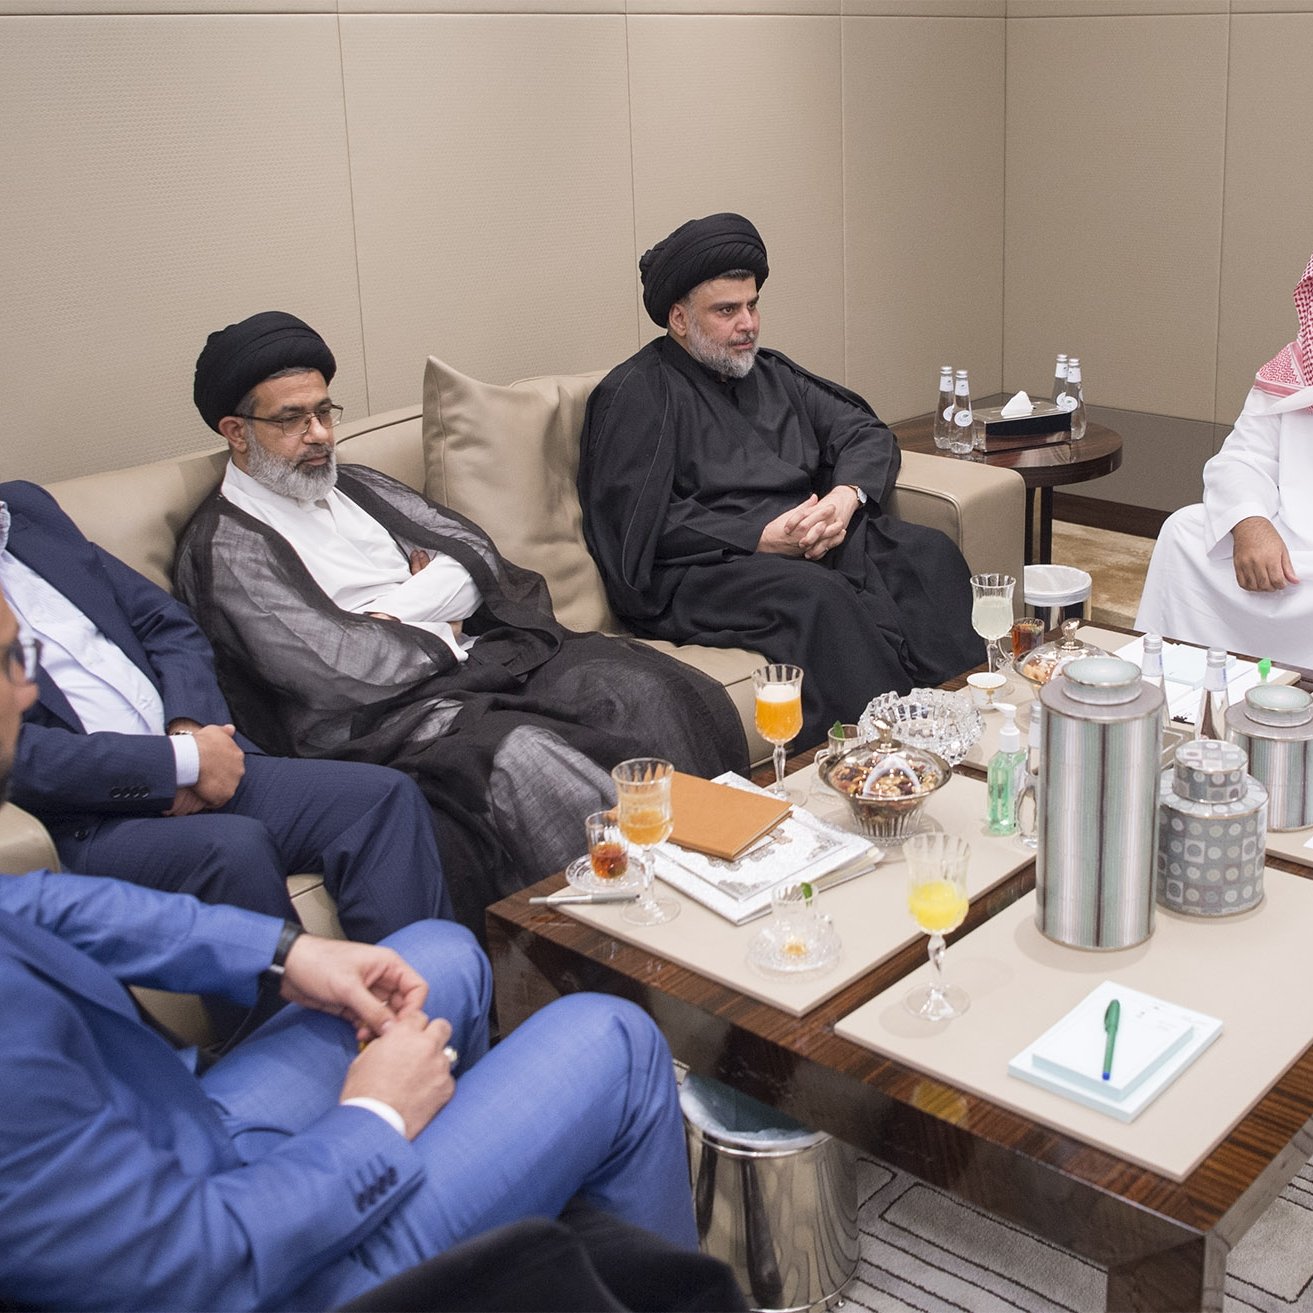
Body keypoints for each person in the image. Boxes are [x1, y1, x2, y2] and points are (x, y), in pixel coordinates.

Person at [0, 582, 712, 1313]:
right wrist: (375, 1117)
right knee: (615, 1039)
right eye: (5, 662)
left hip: (179, 1134)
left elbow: (39, 902)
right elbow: (197, 1267)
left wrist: (283, 952)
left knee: (435, 955)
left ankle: (511, 1235)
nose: (27, 690)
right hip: (254, 1264)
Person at [174, 312, 746, 930]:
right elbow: (338, 667)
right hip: (383, 720)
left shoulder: (357, 485)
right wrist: (433, 615)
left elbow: (474, 557)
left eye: (325, 412)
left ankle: (727, 881)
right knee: (527, 760)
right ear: (235, 431)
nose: (318, 435)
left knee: (642, 687)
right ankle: (637, 946)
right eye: (292, 419)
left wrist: (387, 614)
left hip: (480, 659)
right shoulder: (226, 545)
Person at [576, 212, 983, 748]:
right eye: (727, 310)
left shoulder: (771, 374)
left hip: (808, 541)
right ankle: (880, 755)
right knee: (817, 597)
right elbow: (633, 526)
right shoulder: (636, 393)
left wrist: (843, 499)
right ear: (678, 318)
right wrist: (759, 537)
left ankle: (964, 720)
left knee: (926, 554)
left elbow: (862, 431)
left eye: (752, 305)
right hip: (703, 567)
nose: (748, 324)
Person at [0, 482, 450, 945]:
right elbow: (18, 754)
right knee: (234, 850)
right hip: (88, 819)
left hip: (197, 752)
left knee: (382, 798)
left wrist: (189, 729)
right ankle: (292, 1021)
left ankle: (422, 1002)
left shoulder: (24, 510)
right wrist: (180, 764)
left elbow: (164, 623)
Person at [1137, 253, 1313, 668]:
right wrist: (1252, 524)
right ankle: (1179, 679)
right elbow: (1241, 456)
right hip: (1293, 538)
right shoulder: (1294, 368)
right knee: (1183, 531)